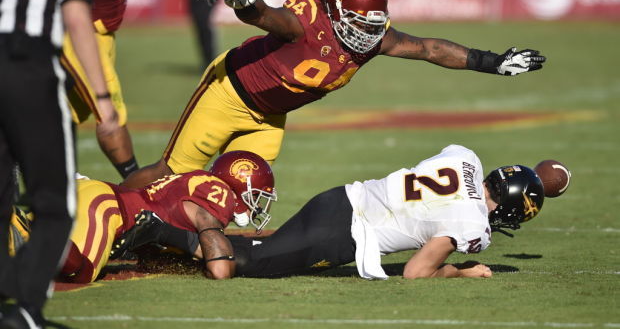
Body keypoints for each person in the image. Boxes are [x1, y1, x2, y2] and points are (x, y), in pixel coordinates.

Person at [122, 0, 546, 190]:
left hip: (269, 116)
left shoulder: (372, 39)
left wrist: (494, 62)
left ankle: (180, 232)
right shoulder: (308, 22)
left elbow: (429, 49)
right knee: (170, 171)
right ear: (340, 12)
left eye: (375, 22)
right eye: (362, 21)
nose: (370, 32)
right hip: (229, 93)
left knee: (246, 189)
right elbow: (271, 17)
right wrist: (247, 7)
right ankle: (110, 206)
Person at [125, 144, 546, 279]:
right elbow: (418, 272)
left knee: (258, 245)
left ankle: (165, 230)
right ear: (511, 210)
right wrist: (461, 271)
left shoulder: (465, 157)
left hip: (341, 197)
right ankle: (158, 231)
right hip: (344, 233)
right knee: (247, 263)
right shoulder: (474, 225)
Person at [0, 0, 118, 326]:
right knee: (54, 205)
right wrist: (102, 100)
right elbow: (76, 19)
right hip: (30, 72)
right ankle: (27, 311)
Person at [61, 0, 222, 179]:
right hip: (71, 28)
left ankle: (33, 168)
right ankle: (137, 187)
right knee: (109, 114)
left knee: (69, 108)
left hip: (102, 33)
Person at [56, 150, 276, 283]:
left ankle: (28, 228)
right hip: (105, 205)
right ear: (239, 184)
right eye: (255, 195)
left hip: (96, 195)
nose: (257, 205)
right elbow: (220, 270)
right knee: (82, 272)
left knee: (27, 253)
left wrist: (163, 234)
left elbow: (153, 257)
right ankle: (39, 233)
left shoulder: (198, 184)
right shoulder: (221, 194)